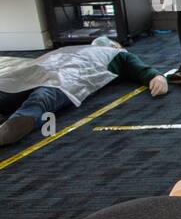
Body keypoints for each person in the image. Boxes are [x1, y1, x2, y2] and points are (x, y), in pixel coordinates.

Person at [0, 37, 167, 146]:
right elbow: (145, 71)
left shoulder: (118, 54)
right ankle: (17, 123)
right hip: (56, 72)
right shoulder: (112, 52)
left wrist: (156, 78)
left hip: (57, 74)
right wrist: (157, 78)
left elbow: (142, 70)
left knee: (37, 93)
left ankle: (14, 127)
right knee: (40, 95)